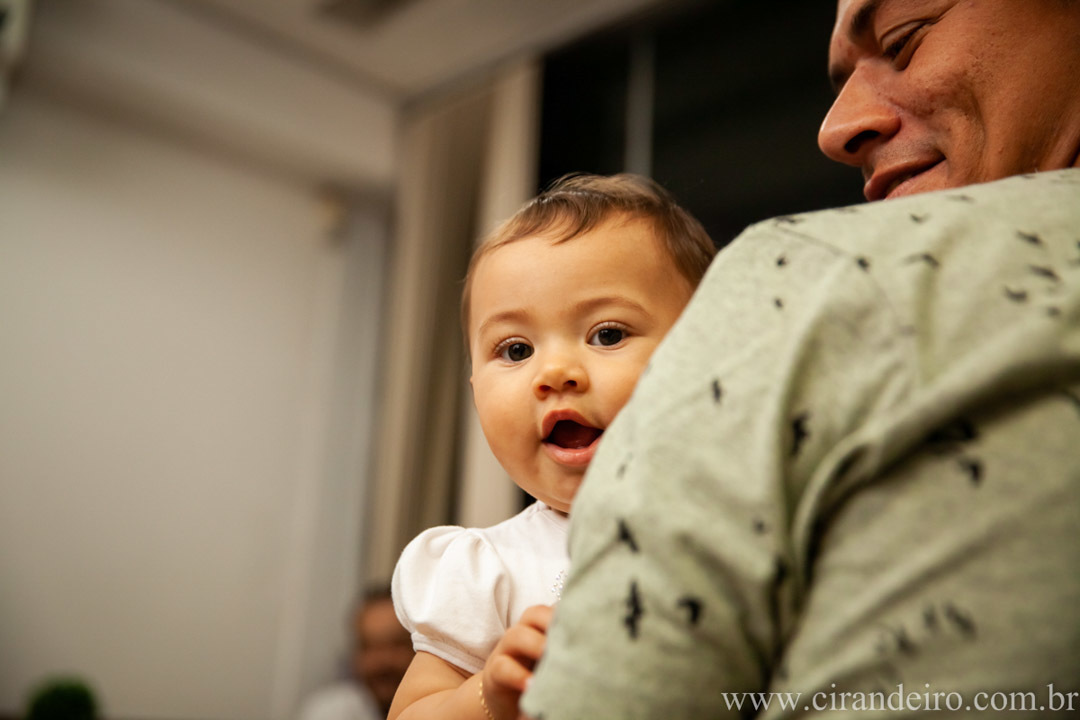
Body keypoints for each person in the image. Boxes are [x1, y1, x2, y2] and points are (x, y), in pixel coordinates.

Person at [521, 1, 1080, 718]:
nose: (835, 128)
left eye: (904, 41)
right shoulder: (463, 565)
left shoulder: (810, 277)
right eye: (512, 348)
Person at [387, 174, 717, 720]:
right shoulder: (490, 570)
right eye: (515, 349)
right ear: (473, 387)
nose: (554, 373)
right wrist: (489, 693)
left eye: (607, 334)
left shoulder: (754, 524)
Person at [297, 587, 414, 720]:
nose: (382, 660)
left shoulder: (438, 710)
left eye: (397, 644)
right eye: (369, 646)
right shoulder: (327, 713)